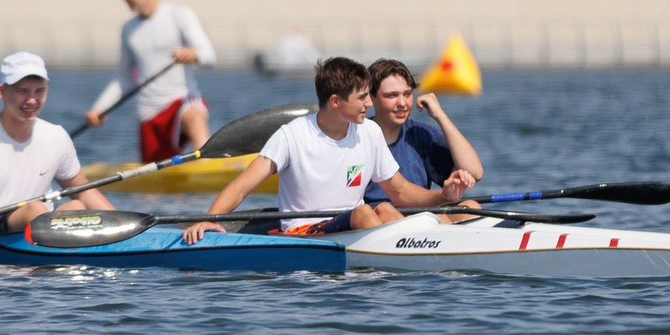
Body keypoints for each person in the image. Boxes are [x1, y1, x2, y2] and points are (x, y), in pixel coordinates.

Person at [181, 55, 463, 242]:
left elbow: (399, 191)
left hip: (353, 227)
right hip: (303, 232)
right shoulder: (292, 135)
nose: (369, 104)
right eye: (362, 98)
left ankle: (429, 252)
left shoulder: (369, 132)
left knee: (387, 209)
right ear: (336, 102)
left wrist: (443, 197)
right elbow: (242, 187)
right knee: (365, 213)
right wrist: (208, 220)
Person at [0, 52, 116, 235]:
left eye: (39, 91)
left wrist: (122, 225)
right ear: (2, 92)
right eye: (22, 91)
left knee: (77, 206)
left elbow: (84, 192)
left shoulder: (57, 136)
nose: (31, 100)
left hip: (37, 225)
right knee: (35, 209)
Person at [83, 0, 216, 160]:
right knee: (156, 175)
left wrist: (193, 55)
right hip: (148, 114)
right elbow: (124, 78)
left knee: (195, 117)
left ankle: (207, 161)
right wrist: (99, 108)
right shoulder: (128, 29)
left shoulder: (180, 15)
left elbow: (210, 57)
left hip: (181, 100)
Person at [367, 58, 481, 197]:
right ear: (371, 98)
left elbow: (475, 173)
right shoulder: (358, 137)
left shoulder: (421, 135)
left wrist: (440, 115)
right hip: (376, 210)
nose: (402, 103)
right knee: (385, 209)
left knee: (471, 204)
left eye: (407, 94)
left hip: (421, 209)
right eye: (392, 95)